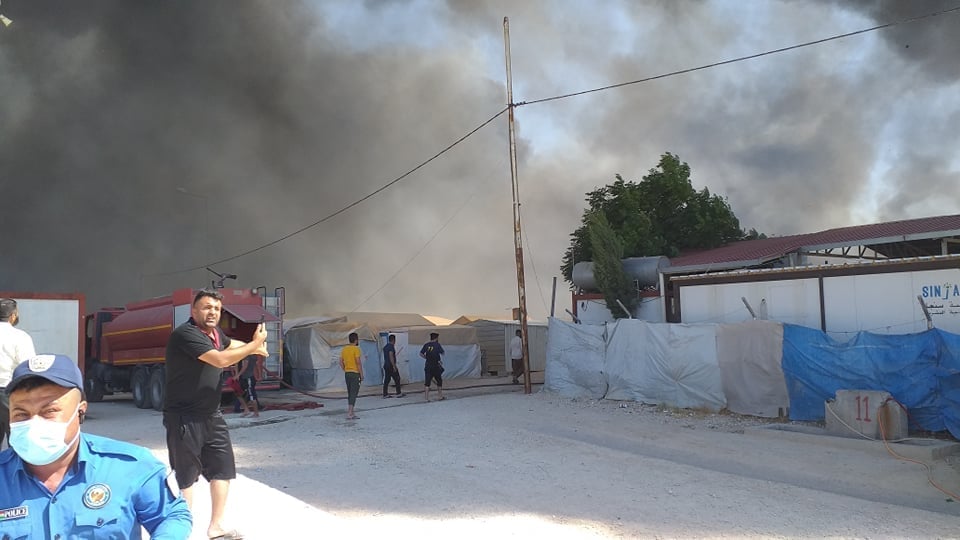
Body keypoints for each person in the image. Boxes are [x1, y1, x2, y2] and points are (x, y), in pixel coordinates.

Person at [0, 354, 191, 539]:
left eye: (49, 411)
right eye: (21, 414)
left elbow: (171, 515)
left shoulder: (129, 466)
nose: (34, 423)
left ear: (80, 411)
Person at [164, 289, 268, 540]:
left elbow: (232, 345)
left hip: (212, 415)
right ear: (194, 311)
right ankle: (182, 532)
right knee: (186, 477)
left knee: (223, 469)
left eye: (217, 309)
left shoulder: (216, 334)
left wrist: (255, 347)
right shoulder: (185, 335)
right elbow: (220, 359)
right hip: (184, 416)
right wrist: (254, 345)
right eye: (207, 307)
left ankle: (216, 527)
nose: (212, 312)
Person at [0, 298, 36, 449]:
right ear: (13, 316)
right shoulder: (20, 337)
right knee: (17, 442)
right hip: (9, 393)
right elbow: (27, 366)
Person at [340, 332, 364, 420]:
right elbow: (358, 362)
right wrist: (361, 374)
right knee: (354, 393)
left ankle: (352, 412)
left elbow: (340, 362)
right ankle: (350, 412)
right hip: (355, 374)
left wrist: (345, 369)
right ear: (356, 340)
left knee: (350, 393)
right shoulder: (356, 349)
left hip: (347, 373)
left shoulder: (344, 349)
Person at [420, 332, 445, 402]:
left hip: (428, 365)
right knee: (439, 381)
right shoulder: (437, 345)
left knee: (427, 382)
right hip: (435, 366)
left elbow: (421, 354)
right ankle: (440, 396)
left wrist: (427, 358)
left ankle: (426, 398)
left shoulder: (426, 345)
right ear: (436, 338)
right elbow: (442, 353)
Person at [382, 334, 403, 398]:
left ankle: (385, 394)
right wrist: (394, 366)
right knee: (397, 378)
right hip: (390, 366)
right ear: (394, 340)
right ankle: (398, 393)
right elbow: (391, 356)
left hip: (386, 365)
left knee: (387, 380)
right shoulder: (391, 347)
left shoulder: (385, 347)